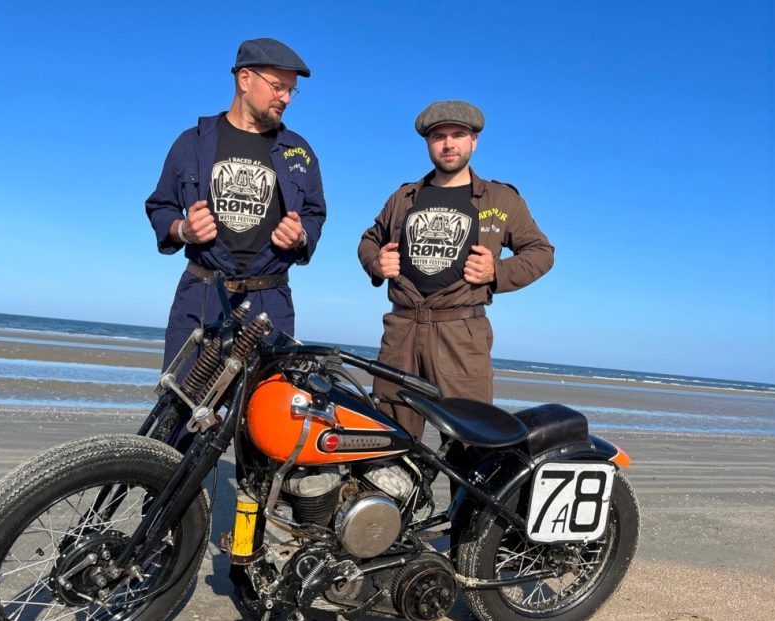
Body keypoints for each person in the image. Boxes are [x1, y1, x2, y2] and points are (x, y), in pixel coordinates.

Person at [358, 100, 554, 438]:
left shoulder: (500, 199)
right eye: (439, 137)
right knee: (390, 438)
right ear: (428, 143)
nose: (448, 144)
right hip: (401, 332)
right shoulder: (403, 198)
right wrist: (376, 262)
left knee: (469, 442)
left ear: (474, 141)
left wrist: (496, 271)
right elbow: (369, 240)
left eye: (458, 135)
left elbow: (541, 253)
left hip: (461, 335)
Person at [145, 37, 326, 369]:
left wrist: (300, 236)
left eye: (291, 90)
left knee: (268, 399)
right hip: (201, 296)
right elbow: (161, 206)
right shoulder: (191, 143)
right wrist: (183, 229)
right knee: (181, 396)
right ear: (245, 79)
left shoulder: (299, 152)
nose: (286, 98)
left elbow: (314, 213)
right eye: (278, 87)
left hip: (270, 301)